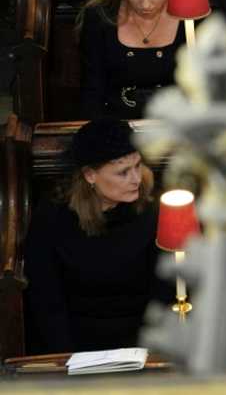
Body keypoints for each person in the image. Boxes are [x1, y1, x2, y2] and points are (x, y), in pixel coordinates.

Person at [23, 119, 160, 352]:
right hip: (76, 344)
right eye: (123, 172)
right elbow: (46, 300)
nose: (136, 179)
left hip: (142, 342)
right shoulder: (53, 217)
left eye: (138, 166)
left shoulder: (152, 210)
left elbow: (164, 292)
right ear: (90, 175)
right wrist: (67, 357)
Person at [76, 0, 186, 119]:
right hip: (115, 124)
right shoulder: (99, 17)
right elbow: (92, 90)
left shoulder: (192, 17)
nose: (146, 5)